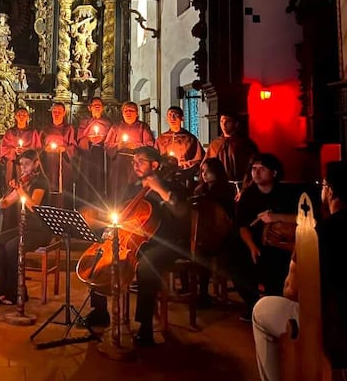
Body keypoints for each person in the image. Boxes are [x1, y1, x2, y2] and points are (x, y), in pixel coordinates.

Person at [252, 161, 347, 381]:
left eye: (324, 185)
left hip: (334, 337)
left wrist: (296, 250)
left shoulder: (319, 234)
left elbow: (291, 290)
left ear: (331, 191)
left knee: (262, 310)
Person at [83, 146, 190, 346]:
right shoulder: (133, 188)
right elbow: (120, 212)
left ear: (155, 165)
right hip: (134, 239)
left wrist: (159, 188)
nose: (135, 165)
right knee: (101, 257)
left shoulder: (173, 187)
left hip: (165, 242)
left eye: (140, 161)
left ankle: (145, 327)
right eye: (134, 161)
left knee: (147, 267)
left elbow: (182, 214)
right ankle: (99, 312)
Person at [233, 153, 296, 320]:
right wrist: (251, 245)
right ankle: (253, 306)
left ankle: (279, 308)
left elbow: (303, 217)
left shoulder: (286, 192)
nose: (256, 172)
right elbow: (242, 225)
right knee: (236, 261)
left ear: (274, 173)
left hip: (281, 243)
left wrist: (276, 217)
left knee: (281, 265)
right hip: (254, 242)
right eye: (254, 169)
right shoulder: (248, 195)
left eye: (262, 169)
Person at [0, 150, 53, 305]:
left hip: (41, 230)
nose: (23, 167)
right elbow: (6, 203)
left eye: (27, 164)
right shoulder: (24, 182)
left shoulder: (41, 182)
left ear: (36, 164)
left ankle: (17, 294)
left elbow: (34, 205)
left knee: (12, 248)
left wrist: (19, 190)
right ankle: (1, 292)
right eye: (21, 164)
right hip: (26, 228)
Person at [192, 158, 236, 307]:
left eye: (208, 171)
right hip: (204, 233)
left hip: (223, 234)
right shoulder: (199, 190)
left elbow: (229, 216)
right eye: (202, 171)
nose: (204, 174)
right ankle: (202, 293)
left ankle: (216, 293)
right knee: (199, 253)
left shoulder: (226, 190)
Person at [104, 101, 155, 201]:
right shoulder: (116, 127)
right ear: (122, 113)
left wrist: (135, 146)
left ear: (137, 113)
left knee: (135, 190)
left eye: (131, 110)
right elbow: (107, 145)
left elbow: (150, 144)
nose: (128, 113)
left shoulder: (142, 127)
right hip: (119, 165)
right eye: (126, 110)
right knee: (118, 190)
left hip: (137, 164)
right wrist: (118, 146)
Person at [0, 108, 41, 231]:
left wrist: (26, 152)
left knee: (25, 193)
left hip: (27, 168)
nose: (21, 116)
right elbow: (3, 150)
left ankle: (24, 226)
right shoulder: (10, 132)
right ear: (15, 117)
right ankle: (9, 227)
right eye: (19, 114)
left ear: (28, 116)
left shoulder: (33, 132)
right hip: (13, 166)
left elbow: (38, 149)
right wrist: (13, 151)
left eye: (24, 114)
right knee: (12, 191)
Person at [75, 97, 113, 212]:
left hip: (103, 156)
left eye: (99, 105)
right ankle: (86, 208)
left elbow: (111, 139)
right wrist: (90, 140)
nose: (97, 107)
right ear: (89, 108)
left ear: (102, 108)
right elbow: (80, 139)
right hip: (88, 156)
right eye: (94, 105)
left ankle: (101, 208)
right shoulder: (84, 123)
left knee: (102, 181)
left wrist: (102, 141)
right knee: (87, 182)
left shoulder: (107, 123)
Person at [155, 106, 205, 186]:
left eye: (176, 115)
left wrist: (185, 165)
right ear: (167, 119)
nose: (172, 118)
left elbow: (199, 159)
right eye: (170, 115)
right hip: (165, 177)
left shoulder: (190, 138)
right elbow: (155, 158)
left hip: (185, 177)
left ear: (182, 118)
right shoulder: (161, 139)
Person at [204, 112, 259, 184]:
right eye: (221, 121)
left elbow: (252, 165)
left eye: (228, 121)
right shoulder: (215, 144)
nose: (224, 124)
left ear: (236, 124)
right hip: (220, 185)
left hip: (241, 183)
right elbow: (207, 166)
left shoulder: (245, 144)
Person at [40, 102, 76, 198]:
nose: (57, 113)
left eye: (59, 111)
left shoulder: (69, 129)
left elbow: (73, 147)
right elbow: (39, 147)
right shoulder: (45, 129)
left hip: (63, 162)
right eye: (55, 111)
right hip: (48, 163)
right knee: (49, 186)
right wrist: (45, 149)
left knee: (62, 189)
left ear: (64, 113)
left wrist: (64, 148)